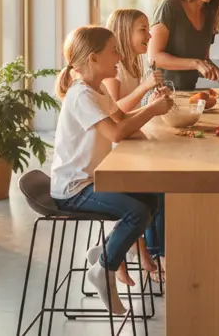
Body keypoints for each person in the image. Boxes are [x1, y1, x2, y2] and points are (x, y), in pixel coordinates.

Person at [50, 25, 173, 315]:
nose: (119, 56)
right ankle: (104, 269)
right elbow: (115, 133)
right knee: (137, 212)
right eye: (114, 51)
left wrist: (151, 106)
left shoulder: (98, 90)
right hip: (74, 190)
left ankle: (106, 253)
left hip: (91, 181)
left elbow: (122, 118)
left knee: (153, 197)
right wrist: (151, 112)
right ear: (93, 58)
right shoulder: (81, 96)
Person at [103, 8, 167, 282]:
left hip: (129, 142)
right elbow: (113, 111)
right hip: (113, 152)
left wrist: (152, 97)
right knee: (160, 184)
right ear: (124, 32)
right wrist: (144, 89)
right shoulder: (111, 72)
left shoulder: (133, 65)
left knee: (163, 181)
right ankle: (154, 253)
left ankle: (146, 250)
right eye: (143, 29)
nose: (150, 34)